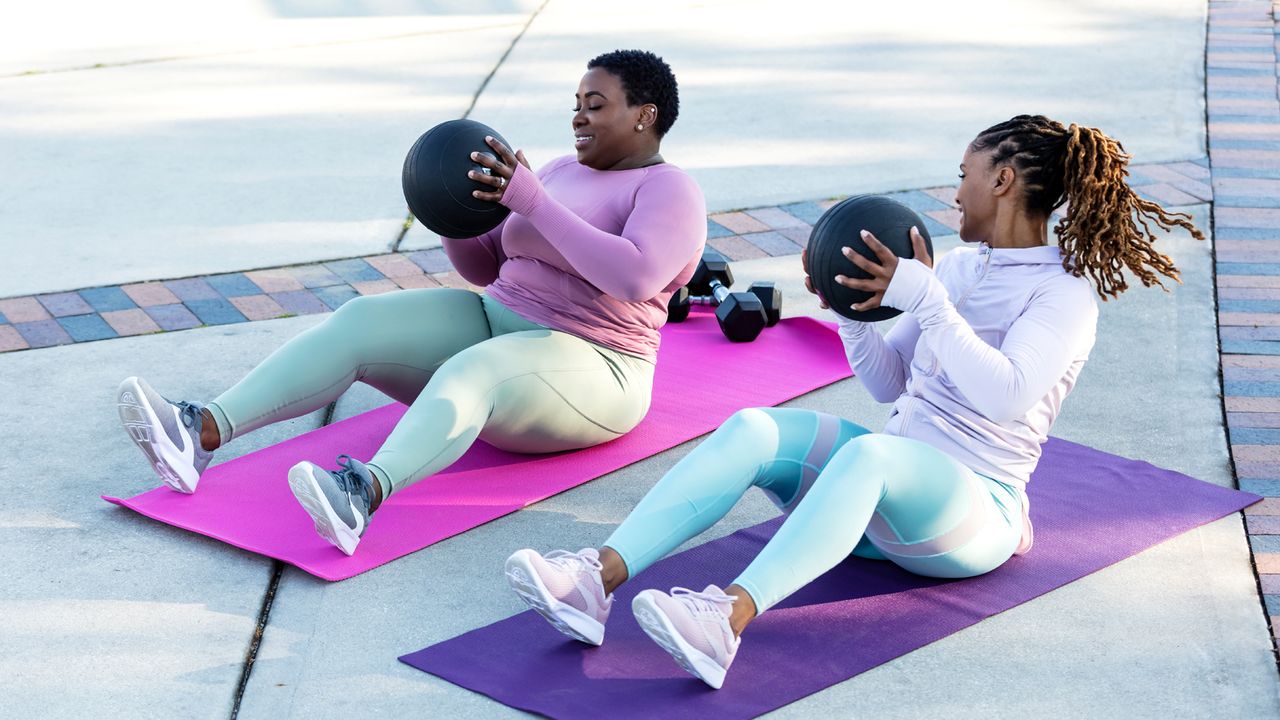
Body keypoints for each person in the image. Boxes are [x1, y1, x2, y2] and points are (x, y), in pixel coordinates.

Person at [504, 114, 1204, 688]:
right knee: (754, 427)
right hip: (880, 496)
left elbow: (1005, 394)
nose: (956, 192)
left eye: (965, 175)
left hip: (972, 510)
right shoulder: (959, 269)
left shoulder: (1064, 292)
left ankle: (724, 623)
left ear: (1003, 179)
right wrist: (851, 314)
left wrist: (927, 299)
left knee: (874, 453)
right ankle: (595, 579)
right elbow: (890, 384)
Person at [116, 49, 706, 556]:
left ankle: (359, 495)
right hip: (499, 320)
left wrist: (534, 203)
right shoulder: (556, 170)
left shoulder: (669, 188)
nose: (578, 115)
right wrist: (453, 211)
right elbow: (486, 267)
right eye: (575, 101)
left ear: (644, 115)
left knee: (475, 370)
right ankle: (201, 432)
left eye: (595, 103)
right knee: (362, 320)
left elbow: (635, 276)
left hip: (596, 362)